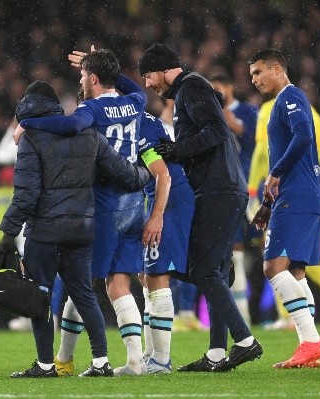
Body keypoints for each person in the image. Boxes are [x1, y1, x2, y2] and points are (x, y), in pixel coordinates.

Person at [1, 80, 150, 378]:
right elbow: (125, 174)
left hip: (44, 232)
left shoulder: (32, 138)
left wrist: (8, 232)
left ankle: (45, 365)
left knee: (40, 296)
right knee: (84, 295)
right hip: (82, 230)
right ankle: (100, 362)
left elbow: (26, 195)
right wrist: (149, 171)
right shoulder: (89, 135)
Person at [139, 42, 262, 372]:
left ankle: (246, 342)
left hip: (219, 190)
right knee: (214, 272)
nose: (148, 84)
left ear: (164, 69)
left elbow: (217, 130)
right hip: (220, 188)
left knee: (203, 270)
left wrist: (178, 150)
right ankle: (217, 353)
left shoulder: (191, 86)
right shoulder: (188, 90)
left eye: (149, 75)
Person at [248, 48, 320, 368]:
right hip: (301, 196)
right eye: (251, 74)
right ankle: (308, 348)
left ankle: (310, 340)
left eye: (258, 72)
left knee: (273, 267)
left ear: (277, 68)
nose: (254, 79)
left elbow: (304, 136)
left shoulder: (290, 97)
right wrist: (268, 204)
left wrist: (277, 172)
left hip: (297, 196)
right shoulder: (284, 101)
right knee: (296, 271)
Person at [248, 98, 320, 329]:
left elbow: (263, 150)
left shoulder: (270, 108)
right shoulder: (310, 110)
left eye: (258, 74)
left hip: (279, 188)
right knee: (299, 252)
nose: (256, 80)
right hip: (311, 187)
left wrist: (253, 185)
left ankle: (286, 316)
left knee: (275, 256)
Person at [138, 110, 196, 373]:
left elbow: (163, 175)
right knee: (147, 276)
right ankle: (150, 355)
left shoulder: (139, 132)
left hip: (169, 199)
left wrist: (157, 215)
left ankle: (161, 359)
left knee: (158, 276)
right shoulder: (144, 120)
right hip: (167, 197)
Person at [209, 73, 258, 325]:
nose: (217, 95)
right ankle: (243, 314)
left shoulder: (249, 111)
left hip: (254, 190)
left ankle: (285, 313)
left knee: (269, 249)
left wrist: (233, 122)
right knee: (234, 249)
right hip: (230, 191)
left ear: (230, 87)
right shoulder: (209, 114)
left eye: (219, 90)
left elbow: (258, 143)